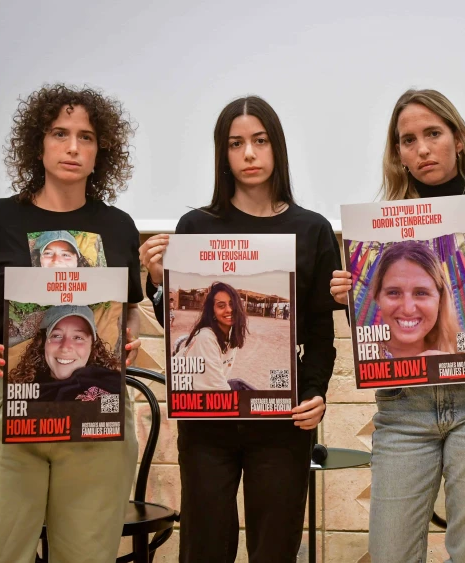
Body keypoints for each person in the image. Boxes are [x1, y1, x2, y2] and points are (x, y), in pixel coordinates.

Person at [139, 95, 341, 562]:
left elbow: (320, 331)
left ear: (277, 148)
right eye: (236, 144)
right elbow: (178, 334)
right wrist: (156, 282)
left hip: (282, 422)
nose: (249, 154)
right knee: (205, 549)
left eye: (260, 141)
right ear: (222, 153)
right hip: (207, 424)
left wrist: (315, 393)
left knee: (275, 549)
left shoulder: (311, 230)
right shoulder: (195, 225)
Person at [0, 84, 143, 563]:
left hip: (95, 412)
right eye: (60, 133)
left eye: (87, 137)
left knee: (87, 555)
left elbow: (128, 306)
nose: (73, 147)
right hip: (4, 407)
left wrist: (128, 338)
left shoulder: (118, 226)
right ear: (39, 143)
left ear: (103, 151)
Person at [329, 89, 465, 562]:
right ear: (398, 154)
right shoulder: (377, 229)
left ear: (458, 140)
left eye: (433, 134)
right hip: (403, 405)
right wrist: (345, 296)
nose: (422, 149)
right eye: (408, 139)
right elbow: (379, 324)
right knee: (391, 552)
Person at [9, 304, 123, 401]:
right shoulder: (22, 395)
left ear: (93, 346)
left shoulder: (111, 386)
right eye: (56, 336)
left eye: (78, 337)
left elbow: (115, 423)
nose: (65, 347)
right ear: (43, 343)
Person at [369, 239, 459, 358]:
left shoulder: (461, 342)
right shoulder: (364, 352)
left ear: (441, 299)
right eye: (394, 292)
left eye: (421, 293)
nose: (408, 309)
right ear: (377, 297)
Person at [173, 281, 249, 391]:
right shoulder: (206, 337)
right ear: (212, 311)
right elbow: (218, 387)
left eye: (232, 304)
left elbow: (220, 377)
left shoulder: (232, 335)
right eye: (221, 306)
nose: (229, 310)